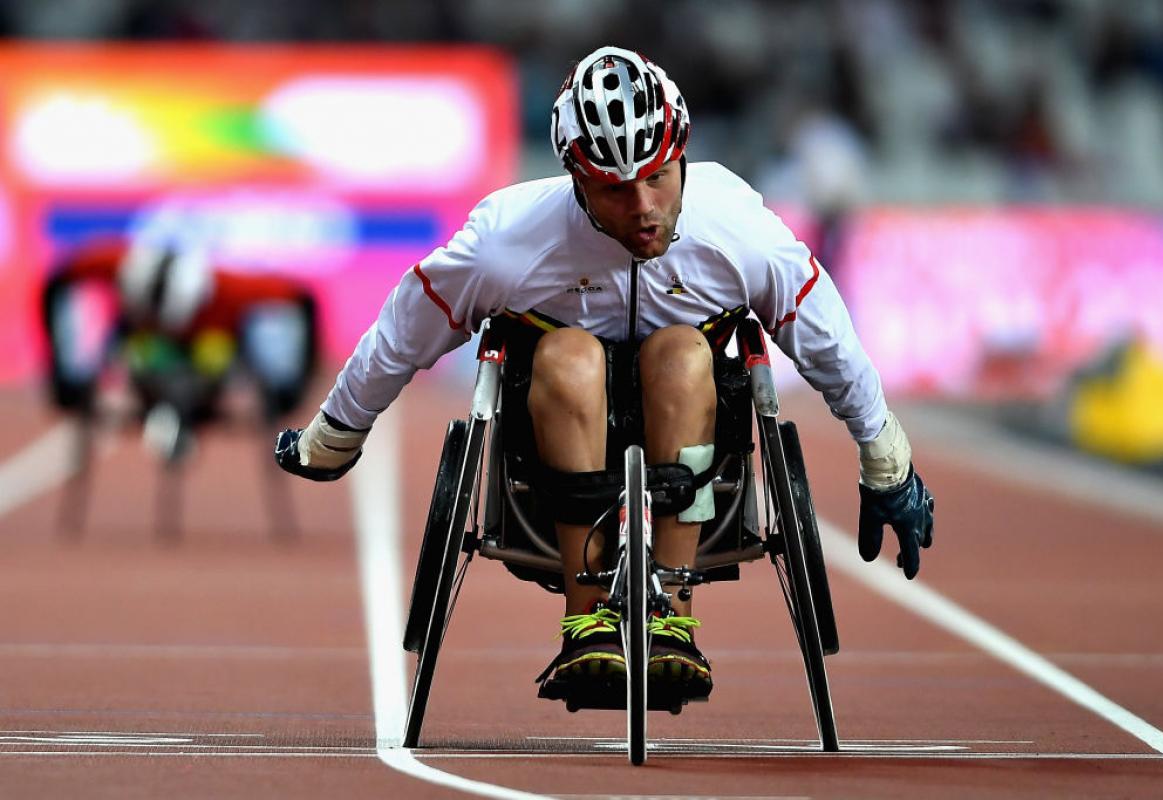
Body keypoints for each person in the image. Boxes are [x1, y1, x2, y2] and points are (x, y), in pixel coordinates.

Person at [275, 46, 935, 705]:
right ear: (577, 181)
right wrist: (337, 431)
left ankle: (670, 609)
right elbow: (404, 331)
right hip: (551, 434)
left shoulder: (739, 230)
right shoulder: (508, 240)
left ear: (682, 155)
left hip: (698, 422)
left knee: (680, 352)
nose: (645, 207)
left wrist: (886, 459)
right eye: (616, 190)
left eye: (658, 178)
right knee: (570, 355)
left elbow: (828, 341)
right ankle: (587, 618)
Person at [43, 235, 318, 460]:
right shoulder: (114, 263)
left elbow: (303, 299)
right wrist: (62, 369)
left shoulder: (228, 287)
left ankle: (182, 415)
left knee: (217, 356)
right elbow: (56, 281)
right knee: (128, 356)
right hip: (144, 357)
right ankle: (164, 411)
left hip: (210, 363)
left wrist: (293, 382)